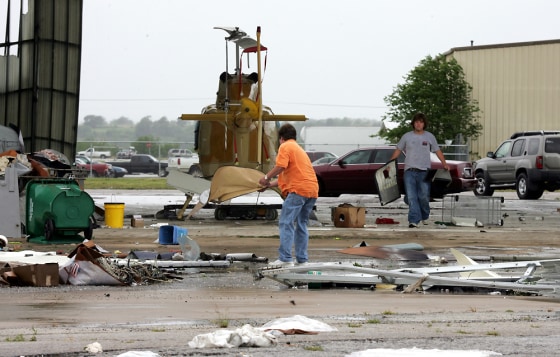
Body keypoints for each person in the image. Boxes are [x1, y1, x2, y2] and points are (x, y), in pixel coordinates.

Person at [258, 123, 318, 267]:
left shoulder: (285, 146)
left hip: (298, 191)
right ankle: (302, 260)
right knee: (301, 224)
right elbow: (289, 176)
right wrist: (269, 185)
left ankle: (285, 259)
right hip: (312, 191)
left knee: (286, 222)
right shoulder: (299, 149)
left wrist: (265, 178)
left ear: (281, 138)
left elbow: (280, 166)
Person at [389, 113, 449, 228]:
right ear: (413, 124)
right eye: (416, 122)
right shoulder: (407, 136)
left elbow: (438, 151)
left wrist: (444, 164)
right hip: (409, 171)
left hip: (424, 171)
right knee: (412, 197)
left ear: (424, 124)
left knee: (423, 196)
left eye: (421, 122)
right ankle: (413, 220)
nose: (418, 124)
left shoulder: (429, 137)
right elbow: (398, 150)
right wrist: (389, 163)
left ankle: (425, 215)